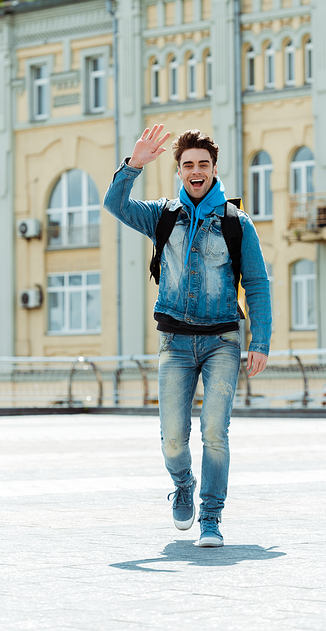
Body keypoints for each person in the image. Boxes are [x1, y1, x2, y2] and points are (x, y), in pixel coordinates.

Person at [104, 125, 271, 547]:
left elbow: (257, 282)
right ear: (179, 171)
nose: (196, 171)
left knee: (215, 430)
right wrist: (133, 165)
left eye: (203, 164)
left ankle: (211, 517)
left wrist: (260, 341)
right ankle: (182, 484)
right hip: (175, 342)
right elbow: (114, 204)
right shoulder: (161, 216)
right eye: (188, 165)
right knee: (173, 437)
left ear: (214, 169)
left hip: (222, 341)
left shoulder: (236, 223)